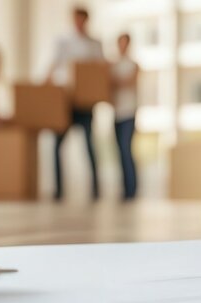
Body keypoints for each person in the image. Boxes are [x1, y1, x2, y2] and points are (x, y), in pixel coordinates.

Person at [45, 7, 105, 201]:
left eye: (82, 20)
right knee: (57, 145)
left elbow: (100, 71)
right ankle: (58, 190)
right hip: (65, 100)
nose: (79, 23)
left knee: (89, 145)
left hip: (85, 103)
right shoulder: (63, 42)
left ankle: (96, 189)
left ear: (87, 21)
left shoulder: (95, 44)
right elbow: (53, 65)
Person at [111, 34, 139, 201]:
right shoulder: (113, 65)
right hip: (116, 113)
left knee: (127, 149)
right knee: (119, 152)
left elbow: (129, 82)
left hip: (129, 112)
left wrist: (115, 81)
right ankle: (124, 188)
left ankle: (132, 189)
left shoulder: (133, 65)